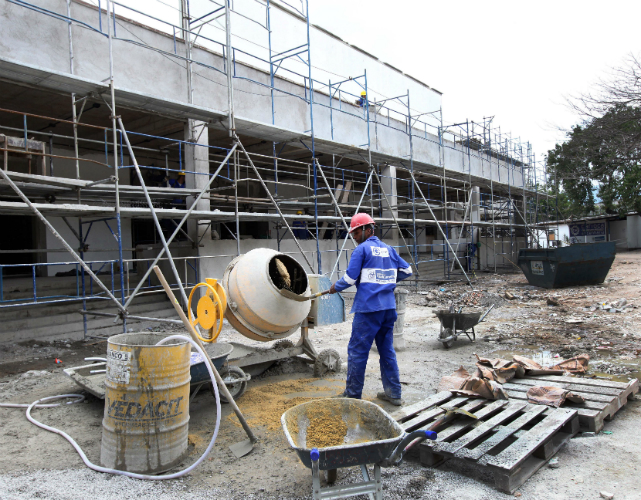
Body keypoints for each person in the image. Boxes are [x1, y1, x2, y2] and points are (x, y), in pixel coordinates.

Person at [329, 213, 413, 406]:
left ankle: (352, 396)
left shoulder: (362, 250)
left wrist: (335, 287)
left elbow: (350, 279)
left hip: (368, 309)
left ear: (368, 230)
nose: (355, 236)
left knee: (357, 351)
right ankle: (394, 394)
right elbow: (407, 270)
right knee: (386, 350)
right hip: (388, 309)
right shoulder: (389, 249)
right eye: (353, 233)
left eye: (357, 232)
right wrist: (387, 281)